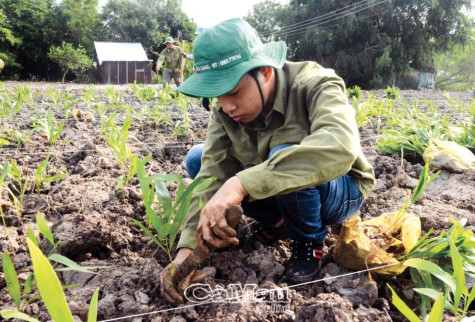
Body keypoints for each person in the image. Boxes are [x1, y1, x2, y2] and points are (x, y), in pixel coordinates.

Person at [160, 18, 375, 304]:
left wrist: (239, 183)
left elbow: (339, 146)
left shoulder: (315, 83)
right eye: (217, 97)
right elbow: (212, 172)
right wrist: (186, 254)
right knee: (198, 159)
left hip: (339, 192)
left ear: (265, 72)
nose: (227, 107)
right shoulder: (225, 110)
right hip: (278, 188)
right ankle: (277, 223)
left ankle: (308, 242)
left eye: (234, 92)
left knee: (286, 153)